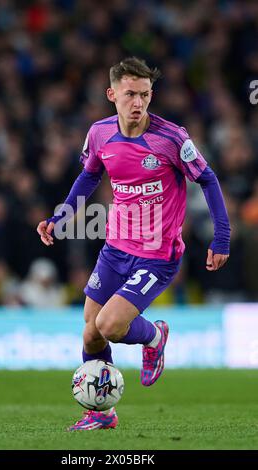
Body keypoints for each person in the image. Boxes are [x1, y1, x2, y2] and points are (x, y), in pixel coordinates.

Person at [37, 57, 230, 431]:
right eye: (129, 94)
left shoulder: (172, 137)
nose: (138, 102)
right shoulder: (99, 134)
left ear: (151, 95)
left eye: (144, 94)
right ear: (113, 95)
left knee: (109, 325)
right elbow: (88, 177)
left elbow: (208, 181)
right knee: (90, 331)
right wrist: (60, 218)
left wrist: (221, 236)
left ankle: (155, 335)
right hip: (114, 249)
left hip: (157, 255)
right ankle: (101, 413)